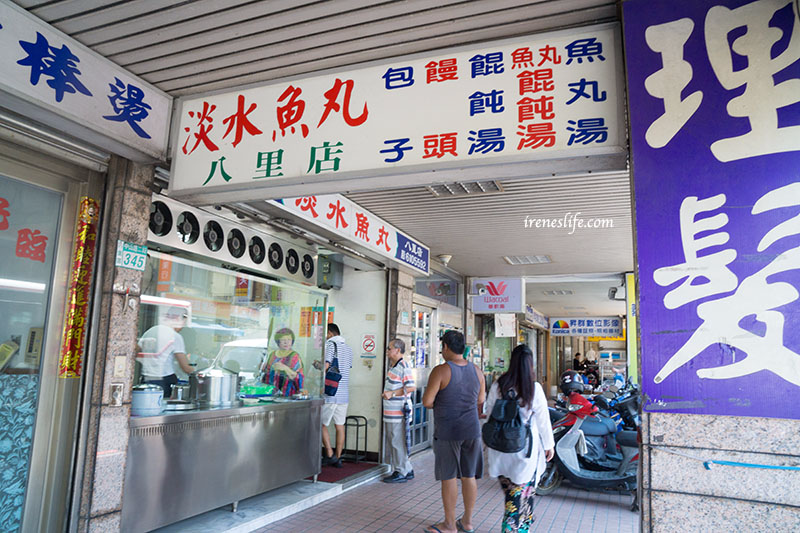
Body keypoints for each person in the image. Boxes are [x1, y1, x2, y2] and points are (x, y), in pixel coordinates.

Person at [485, 344, 555, 533]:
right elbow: (543, 420)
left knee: (517, 494)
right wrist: (549, 445)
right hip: (524, 450)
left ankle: (524, 525)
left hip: (500, 448)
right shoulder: (533, 388)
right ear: (530, 364)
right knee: (518, 497)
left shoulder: (499, 385)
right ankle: (514, 528)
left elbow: (489, 412)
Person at [422, 330, 485, 533]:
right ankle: (467, 522)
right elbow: (480, 400)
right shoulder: (477, 370)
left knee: (448, 476)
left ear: (446, 347)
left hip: (448, 430)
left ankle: (449, 524)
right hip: (472, 430)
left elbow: (427, 402)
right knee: (469, 475)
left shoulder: (441, 370)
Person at [136, 306, 194, 398]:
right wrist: (199, 374)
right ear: (178, 319)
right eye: (184, 322)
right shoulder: (175, 336)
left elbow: (136, 351)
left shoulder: (152, 330)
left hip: (146, 378)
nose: (183, 327)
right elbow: (185, 367)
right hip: (164, 380)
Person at [381, 338, 416, 483]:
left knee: (397, 442)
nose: (388, 351)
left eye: (390, 348)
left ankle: (400, 471)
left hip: (398, 413)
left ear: (398, 350)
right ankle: (407, 469)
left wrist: (393, 393)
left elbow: (411, 387)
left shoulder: (403, 366)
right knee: (395, 441)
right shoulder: (393, 366)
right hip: (390, 413)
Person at [321, 323, 353, 468]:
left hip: (331, 392)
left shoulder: (330, 345)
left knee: (320, 424)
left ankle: (329, 454)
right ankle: (338, 457)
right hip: (344, 393)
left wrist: (316, 365)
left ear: (330, 333)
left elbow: (326, 366)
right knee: (340, 426)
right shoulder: (348, 348)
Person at [261, 327, 304, 397]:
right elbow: (266, 374)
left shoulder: (295, 356)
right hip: (271, 394)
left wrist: (285, 368)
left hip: (288, 394)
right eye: (283, 339)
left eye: (289, 340)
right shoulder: (272, 355)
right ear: (278, 341)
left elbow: (299, 378)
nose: (286, 342)